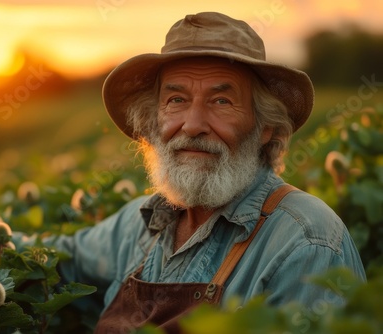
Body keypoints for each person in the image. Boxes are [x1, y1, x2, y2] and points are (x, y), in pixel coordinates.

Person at [51, 12, 366, 333]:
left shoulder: (306, 243)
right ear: (152, 121)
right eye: (176, 100)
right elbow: (59, 259)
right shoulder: (141, 222)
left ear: (265, 128)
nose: (193, 125)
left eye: (221, 101)